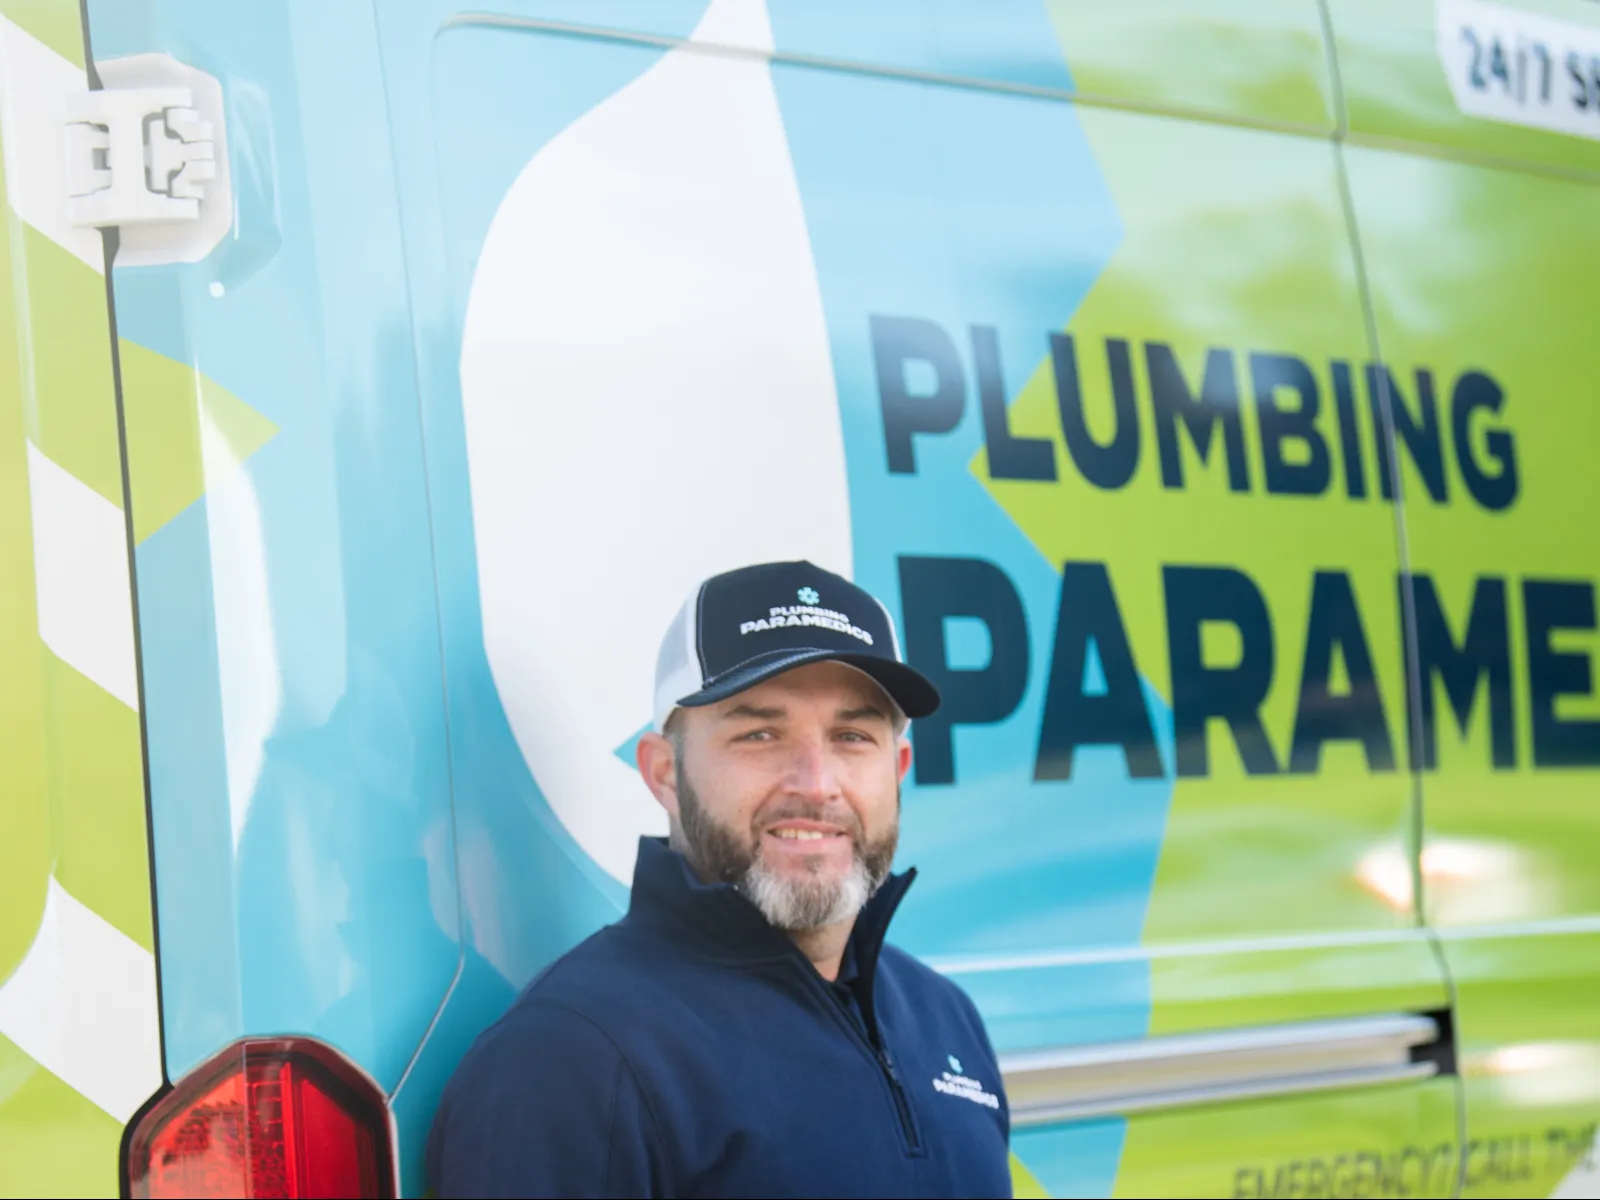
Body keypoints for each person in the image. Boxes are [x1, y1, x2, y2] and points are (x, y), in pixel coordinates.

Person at [427, 560, 1013, 1198]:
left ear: (896, 768)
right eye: (759, 733)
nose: (816, 784)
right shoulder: (570, 1059)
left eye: (851, 736)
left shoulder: (943, 1017)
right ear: (664, 774)